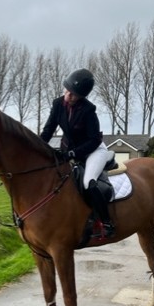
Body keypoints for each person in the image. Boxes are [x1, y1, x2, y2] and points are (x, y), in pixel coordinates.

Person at [40, 68, 115, 237]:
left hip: (93, 151)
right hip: (70, 150)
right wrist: (37, 147)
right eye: (67, 90)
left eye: (73, 94)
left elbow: (94, 140)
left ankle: (106, 222)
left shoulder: (88, 110)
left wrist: (73, 154)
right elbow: (48, 130)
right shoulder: (57, 104)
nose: (68, 95)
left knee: (89, 182)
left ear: (81, 96)